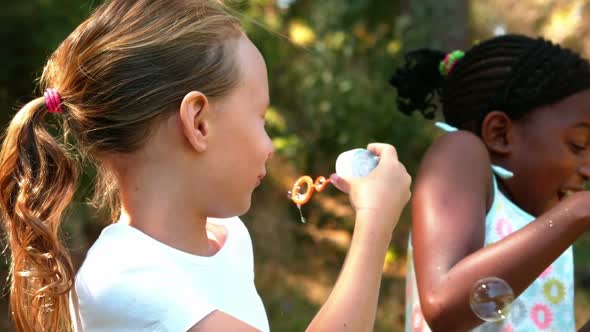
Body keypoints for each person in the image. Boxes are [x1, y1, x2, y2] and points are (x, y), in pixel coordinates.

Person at [0, 0, 412, 331]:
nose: (271, 146)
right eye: (261, 119)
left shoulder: (229, 237)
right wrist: (375, 223)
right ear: (198, 122)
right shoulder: (123, 283)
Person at [389, 34, 590, 331]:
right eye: (578, 144)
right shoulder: (461, 152)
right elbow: (443, 305)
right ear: (500, 133)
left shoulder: (541, 236)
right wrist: (579, 211)